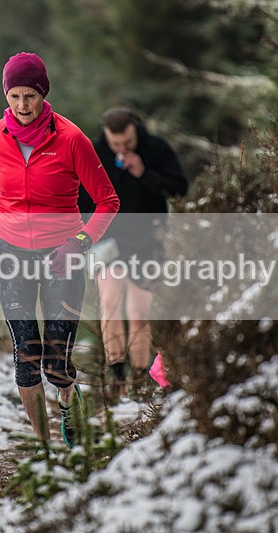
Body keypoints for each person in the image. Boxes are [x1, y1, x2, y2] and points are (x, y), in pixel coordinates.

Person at [0, 52, 119, 447]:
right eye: (15, 96)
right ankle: (45, 446)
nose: (23, 105)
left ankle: (68, 401)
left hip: (61, 258)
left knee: (56, 363)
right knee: (26, 358)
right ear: (6, 95)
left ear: (43, 94)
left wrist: (80, 242)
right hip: (11, 255)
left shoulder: (71, 139)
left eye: (30, 95)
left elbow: (108, 201)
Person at [78, 108, 189, 397]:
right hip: (107, 241)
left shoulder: (156, 148)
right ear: (108, 138)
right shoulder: (92, 151)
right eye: (117, 144)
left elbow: (179, 188)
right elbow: (76, 198)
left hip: (149, 239)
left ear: (135, 132)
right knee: (111, 303)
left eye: (127, 142)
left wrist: (145, 173)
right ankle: (117, 372)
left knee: (139, 311)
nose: (123, 149)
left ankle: (141, 377)